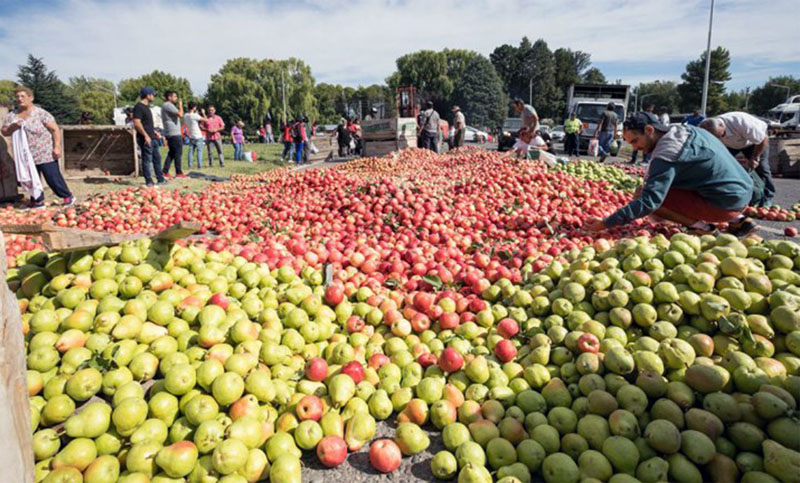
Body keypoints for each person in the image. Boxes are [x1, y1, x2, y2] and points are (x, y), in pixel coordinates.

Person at [585, 111, 756, 236]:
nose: (635, 148)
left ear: (649, 130)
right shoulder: (687, 131)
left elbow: (649, 202)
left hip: (726, 203)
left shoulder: (667, 152)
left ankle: (702, 228)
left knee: (644, 194)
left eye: (635, 141)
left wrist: (606, 223)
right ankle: (738, 220)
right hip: (742, 192)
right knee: (659, 186)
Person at [1, 86, 74, 208]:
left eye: (23, 96)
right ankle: (37, 201)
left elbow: (55, 129)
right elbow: (4, 131)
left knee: (52, 177)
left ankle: (67, 196)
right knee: (31, 179)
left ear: (31, 98)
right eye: (17, 96)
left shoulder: (40, 113)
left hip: (44, 152)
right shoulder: (12, 115)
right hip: (25, 155)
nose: (19, 99)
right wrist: (13, 127)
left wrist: (57, 147)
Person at [700, 112, 776, 207]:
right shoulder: (707, 126)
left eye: (721, 135)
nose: (721, 137)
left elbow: (763, 140)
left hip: (753, 143)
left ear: (722, 126)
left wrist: (754, 157)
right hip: (729, 145)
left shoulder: (742, 123)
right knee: (722, 167)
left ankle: (767, 197)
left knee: (762, 168)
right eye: (717, 137)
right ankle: (725, 196)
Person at [132, 86, 166, 187]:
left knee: (157, 158)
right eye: (153, 94)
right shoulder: (139, 107)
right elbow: (137, 123)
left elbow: (146, 124)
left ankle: (160, 179)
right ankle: (149, 181)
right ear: (148, 95)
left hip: (152, 137)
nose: (154, 96)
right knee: (147, 160)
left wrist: (154, 132)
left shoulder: (147, 107)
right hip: (145, 138)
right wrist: (146, 135)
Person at [161, 90, 185, 178]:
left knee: (172, 153)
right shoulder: (168, 105)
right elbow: (180, 114)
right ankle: (179, 172)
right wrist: (180, 105)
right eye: (174, 96)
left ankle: (164, 171)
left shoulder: (166, 106)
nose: (176, 98)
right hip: (173, 133)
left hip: (171, 133)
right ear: (169, 97)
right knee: (178, 152)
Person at [183, 102, 206, 169]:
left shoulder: (186, 115)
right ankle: (200, 166)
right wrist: (203, 113)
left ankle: (190, 165)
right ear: (194, 108)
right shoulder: (195, 115)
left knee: (190, 152)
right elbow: (205, 120)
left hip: (191, 136)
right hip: (198, 136)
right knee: (199, 151)